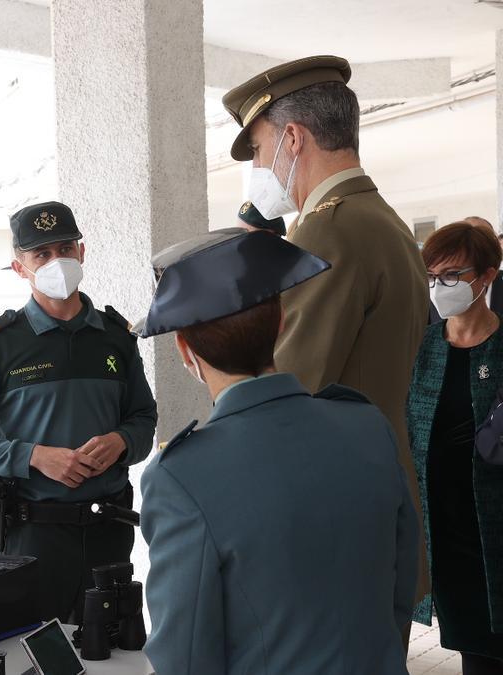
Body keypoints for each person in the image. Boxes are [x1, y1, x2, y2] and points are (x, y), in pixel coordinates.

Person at [136, 228, 418, 675]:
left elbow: (184, 658)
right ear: (282, 321)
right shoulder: (366, 426)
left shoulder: (181, 476)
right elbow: (402, 591)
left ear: (184, 349)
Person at [223, 54, 430, 601]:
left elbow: (289, 386)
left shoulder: (328, 231)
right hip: (376, 492)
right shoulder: (381, 219)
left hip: (334, 507)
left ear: (292, 138)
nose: (261, 170)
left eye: (262, 151)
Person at [0, 200, 157, 622]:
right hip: (33, 536)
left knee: (113, 654)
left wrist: (122, 441)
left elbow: (144, 420)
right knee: (39, 657)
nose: (57, 261)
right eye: (41, 254)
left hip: (108, 532)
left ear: (82, 252)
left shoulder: (116, 338)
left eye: (64, 248)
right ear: (20, 268)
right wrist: (34, 456)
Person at [408, 221, 503, 674]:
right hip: (446, 533)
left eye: (452, 277)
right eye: (432, 278)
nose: (439, 288)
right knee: (473, 652)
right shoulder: (424, 347)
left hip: (495, 529)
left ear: (486, 277)